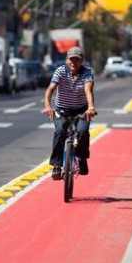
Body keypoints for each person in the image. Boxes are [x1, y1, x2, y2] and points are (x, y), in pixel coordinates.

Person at [42, 46, 96, 180]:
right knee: (60, 132)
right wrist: (48, 106)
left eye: (76, 60)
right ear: (66, 60)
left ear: (81, 61)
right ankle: (56, 165)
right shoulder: (60, 71)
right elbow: (50, 90)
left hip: (82, 109)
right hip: (62, 110)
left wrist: (91, 107)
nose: (73, 62)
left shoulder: (87, 72)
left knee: (83, 132)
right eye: (71, 59)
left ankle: (82, 158)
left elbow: (88, 90)